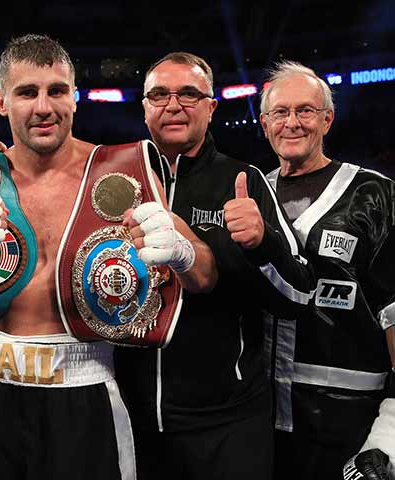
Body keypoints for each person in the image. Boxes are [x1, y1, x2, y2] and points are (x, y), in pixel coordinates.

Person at [0, 34, 219, 480]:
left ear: (75, 98)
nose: (44, 107)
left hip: (86, 396)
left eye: (57, 90)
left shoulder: (122, 171)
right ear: (2, 103)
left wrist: (182, 251)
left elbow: (205, 275)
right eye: (27, 92)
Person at [113, 52, 315, 480]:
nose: (173, 105)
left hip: (228, 421)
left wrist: (263, 246)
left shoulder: (243, 181)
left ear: (211, 106)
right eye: (159, 94)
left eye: (189, 94)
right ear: (144, 106)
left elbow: (299, 295)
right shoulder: (109, 181)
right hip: (132, 416)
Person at [258, 61, 395, 479]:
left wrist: (388, 438)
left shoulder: (377, 195)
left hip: (352, 420)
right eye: (281, 112)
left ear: (327, 119)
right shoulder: (252, 196)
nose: (292, 123)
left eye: (306, 111)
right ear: (264, 123)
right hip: (262, 419)